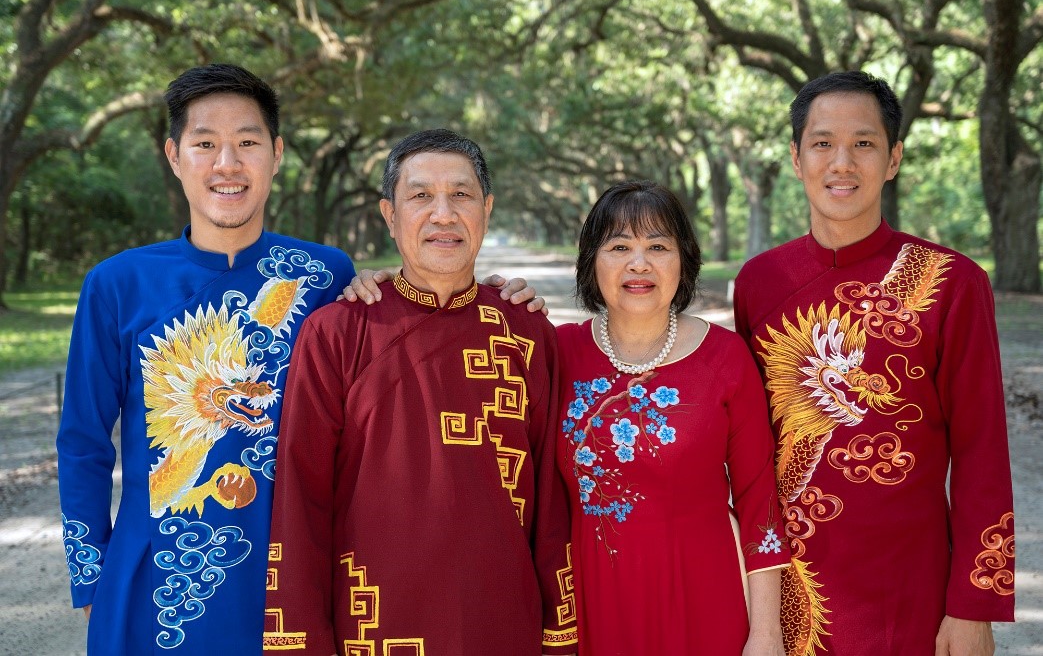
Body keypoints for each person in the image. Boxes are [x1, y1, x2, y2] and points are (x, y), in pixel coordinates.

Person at [55, 65, 540, 654]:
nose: (226, 163)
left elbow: (403, 310)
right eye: (205, 143)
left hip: (291, 573)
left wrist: (485, 294)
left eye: (248, 143)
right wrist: (90, 578)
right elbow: (83, 440)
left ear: (277, 154)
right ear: (174, 156)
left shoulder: (321, 273)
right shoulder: (116, 284)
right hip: (161, 577)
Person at [262, 129, 577, 655]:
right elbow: (301, 500)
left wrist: (559, 635)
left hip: (501, 621)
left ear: (487, 208)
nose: (443, 214)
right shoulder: (338, 332)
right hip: (373, 629)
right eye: (420, 196)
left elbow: (551, 500)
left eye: (461, 195)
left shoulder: (525, 331)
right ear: (390, 215)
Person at [732, 71, 1015, 655]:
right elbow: (748, 453)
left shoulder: (952, 283)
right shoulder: (760, 283)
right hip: (790, 593)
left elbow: (983, 452)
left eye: (864, 143)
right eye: (822, 143)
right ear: (795, 156)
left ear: (894, 159)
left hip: (912, 593)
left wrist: (974, 605)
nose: (842, 163)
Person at [556, 180, 789, 655]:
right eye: (619, 246)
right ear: (591, 261)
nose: (638, 264)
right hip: (592, 603)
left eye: (658, 246)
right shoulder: (557, 353)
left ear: (682, 261)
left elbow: (758, 499)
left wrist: (766, 634)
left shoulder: (725, 358)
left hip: (701, 599)